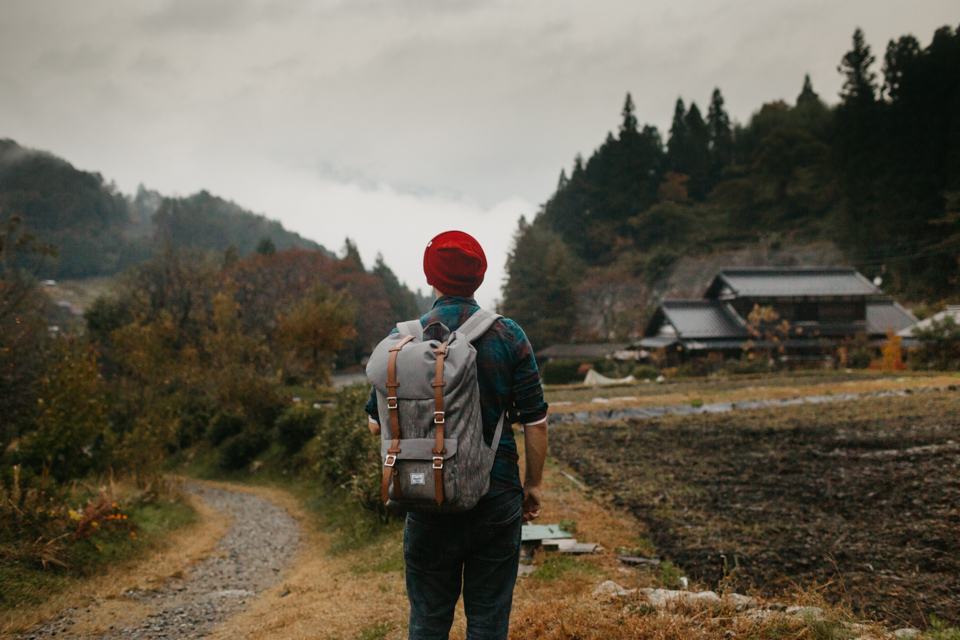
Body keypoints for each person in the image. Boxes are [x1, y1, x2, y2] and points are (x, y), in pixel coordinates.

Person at [364, 230, 548, 640]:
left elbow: (377, 422)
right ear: (479, 278)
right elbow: (535, 420)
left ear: (431, 277)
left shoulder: (404, 341)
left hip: (426, 493)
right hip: (496, 495)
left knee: (428, 622)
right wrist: (532, 486)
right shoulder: (509, 335)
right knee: (486, 623)